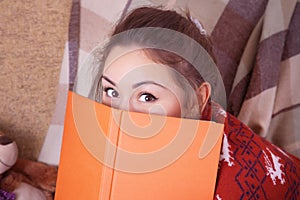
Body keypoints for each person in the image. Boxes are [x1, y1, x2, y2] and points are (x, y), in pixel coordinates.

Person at [79, 6, 300, 200]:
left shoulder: (238, 182)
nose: (120, 114)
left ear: (198, 99)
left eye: (147, 97)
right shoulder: (101, 143)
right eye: (111, 91)